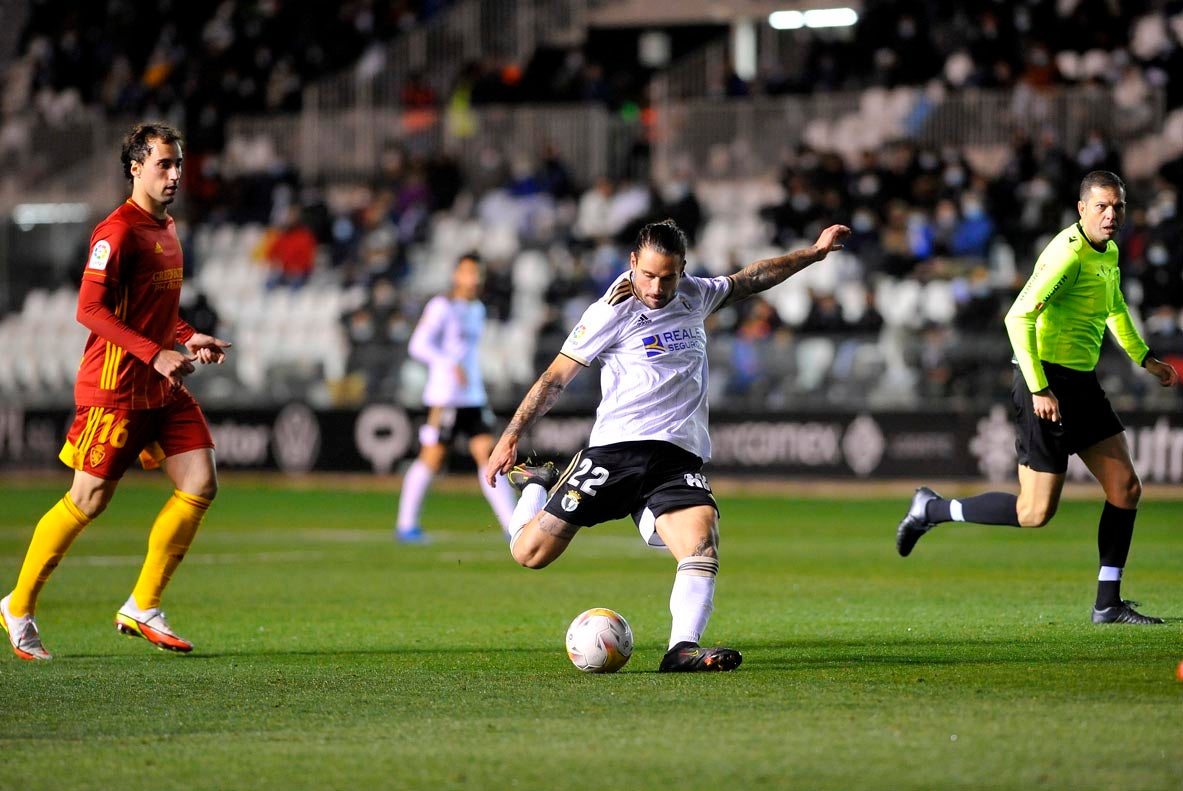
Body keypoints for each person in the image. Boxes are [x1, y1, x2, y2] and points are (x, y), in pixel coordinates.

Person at [485, 218, 851, 671]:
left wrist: (813, 253)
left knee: (702, 545)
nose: (657, 287)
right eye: (649, 275)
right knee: (530, 555)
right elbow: (555, 379)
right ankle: (539, 485)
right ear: (633, 262)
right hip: (615, 452)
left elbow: (751, 278)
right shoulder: (609, 311)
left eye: (668, 276)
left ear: (683, 269)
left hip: (676, 457)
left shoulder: (695, 293)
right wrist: (511, 435)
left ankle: (681, 650)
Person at [896, 171, 1179, 625]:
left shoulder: (1107, 252)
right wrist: (1039, 386)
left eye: (1118, 207)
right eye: (1102, 206)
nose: (1111, 215)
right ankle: (931, 508)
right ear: (1082, 207)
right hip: (1045, 382)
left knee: (1126, 489)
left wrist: (1145, 358)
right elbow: (1017, 317)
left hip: (1081, 384)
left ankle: (1108, 603)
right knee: (1034, 512)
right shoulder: (1065, 257)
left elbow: (1115, 307)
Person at [0, 122, 232, 661]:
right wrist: (154, 353)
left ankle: (143, 605)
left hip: (162, 384)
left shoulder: (168, 228)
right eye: (163, 165)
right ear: (135, 167)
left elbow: (157, 311)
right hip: (118, 386)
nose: (174, 175)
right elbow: (89, 309)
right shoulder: (116, 232)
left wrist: (185, 336)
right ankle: (19, 604)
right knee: (89, 499)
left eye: (178, 164)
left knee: (200, 481)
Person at [395, 253, 518, 543]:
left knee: (489, 455)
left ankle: (512, 525)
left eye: (477, 273)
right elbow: (418, 345)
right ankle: (406, 525)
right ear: (456, 275)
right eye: (467, 272)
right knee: (432, 459)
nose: (473, 278)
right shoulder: (442, 306)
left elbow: (468, 354)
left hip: (472, 397)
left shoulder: (476, 308)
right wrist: (449, 363)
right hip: (446, 397)